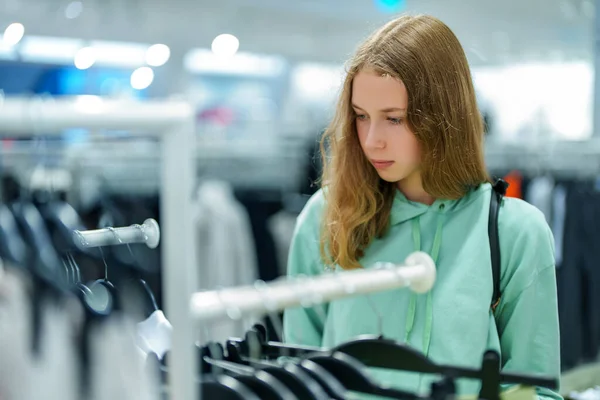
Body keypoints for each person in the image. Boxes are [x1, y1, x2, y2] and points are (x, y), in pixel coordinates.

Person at [282, 14, 561, 400]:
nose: (372, 140)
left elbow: (534, 390)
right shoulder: (325, 216)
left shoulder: (514, 232)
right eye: (361, 117)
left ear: (444, 118)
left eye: (394, 119)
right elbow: (299, 377)